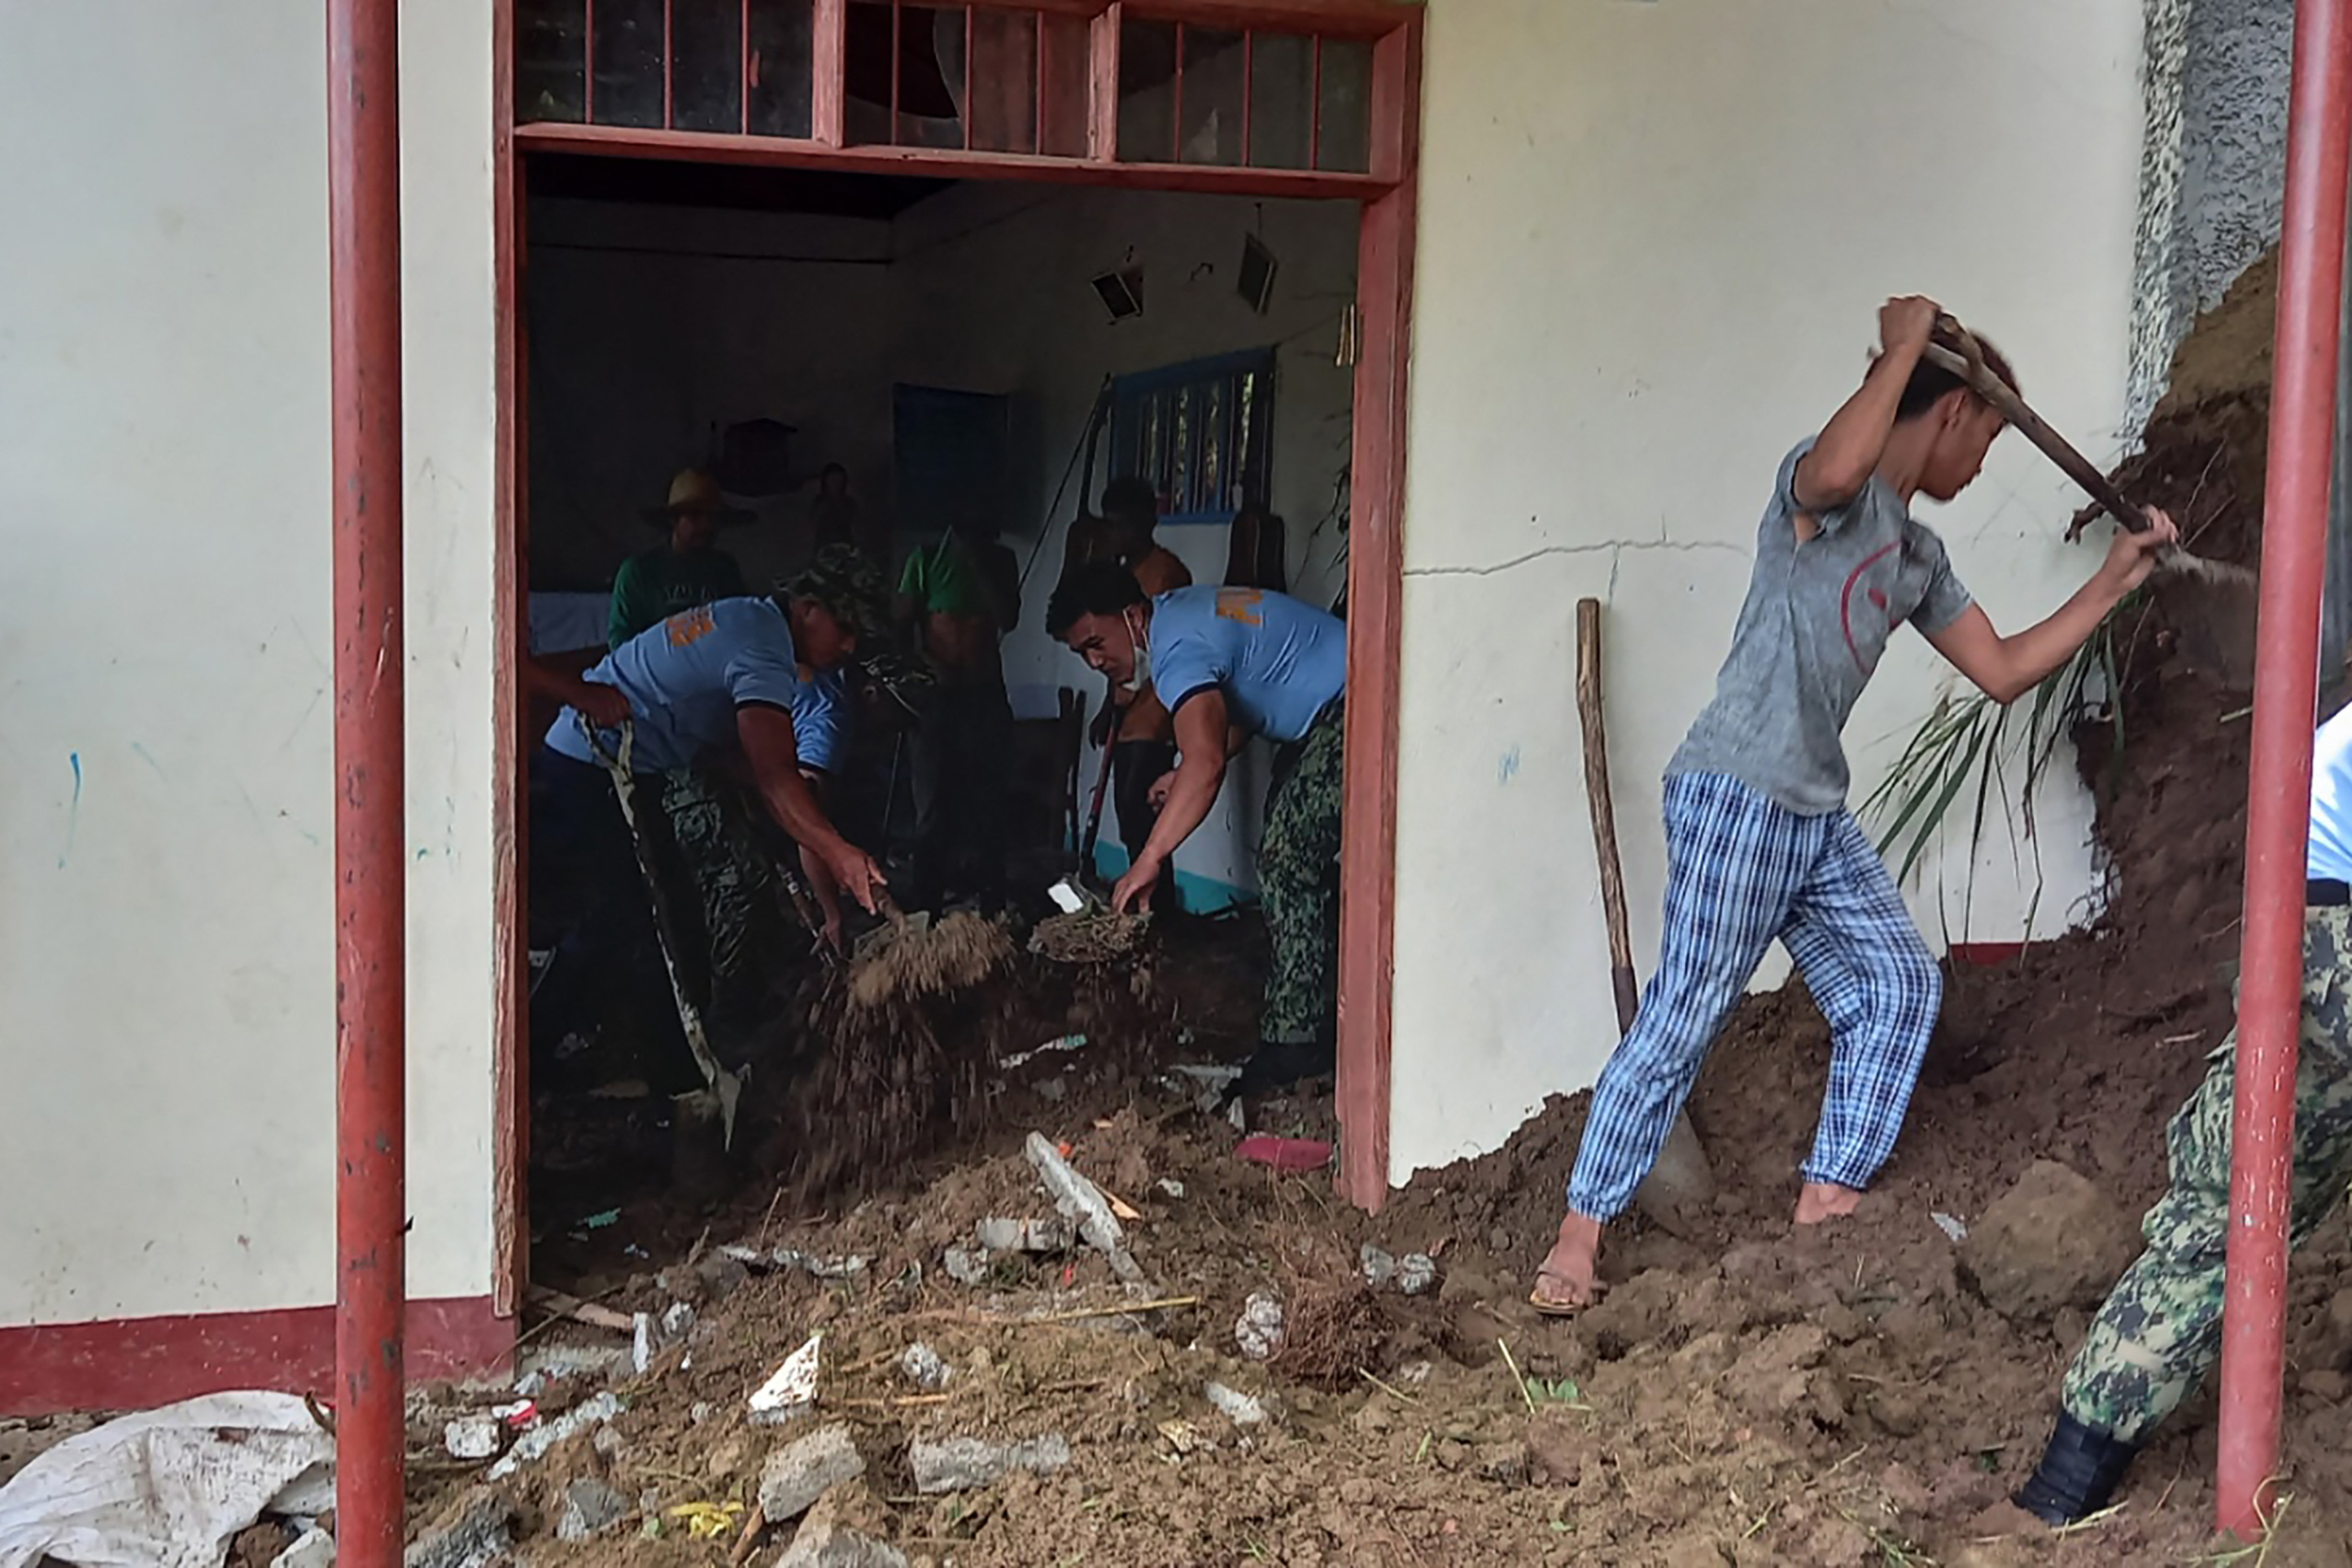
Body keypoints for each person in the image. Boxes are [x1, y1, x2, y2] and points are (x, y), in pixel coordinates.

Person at [1528, 295, 2183, 1314]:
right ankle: (1579, 1235)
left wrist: (2111, 582)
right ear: (1952, 412)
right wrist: (1905, 348)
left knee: (1895, 984)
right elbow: (1839, 468)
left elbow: (2002, 670)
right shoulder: (1819, 498)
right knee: (1686, 1011)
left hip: (1812, 813)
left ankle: (1826, 1199)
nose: (1981, 467)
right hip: (1739, 790)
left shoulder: (1917, 558)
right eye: (1985, 439)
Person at [2011, 699, 2352, 1525]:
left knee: (2225, 1218)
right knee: (2228, 1215)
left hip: (2311, 933)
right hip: (2329, 930)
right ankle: (2063, 1490)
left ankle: (2062, 1489)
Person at [537, 546, 889, 1068]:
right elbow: (775, 778)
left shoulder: (750, 620)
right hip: (592, 761)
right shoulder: (764, 646)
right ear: (808, 608)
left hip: (631, 769)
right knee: (626, 918)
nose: (849, 644)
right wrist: (841, 854)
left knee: (674, 916)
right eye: (845, 626)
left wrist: (819, 873)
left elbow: (752, 769)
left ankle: (678, 1058)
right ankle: (543, 1044)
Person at [1050, 568, 1346, 1096]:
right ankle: (1321, 1005)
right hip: (1328, 711)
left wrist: (1150, 857)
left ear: (1132, 616)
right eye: (1081, 654)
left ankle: (1297, 1043)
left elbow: (1206, 762)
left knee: (1287, 859)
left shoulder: (1176, 651)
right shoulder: (1180, 613)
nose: (1094, 662)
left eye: (1096, 643)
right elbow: (1240, 706)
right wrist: (1185, 768)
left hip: (1352, 706)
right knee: (1288, 854)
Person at [895, 509, 1021, 911]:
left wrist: (977, 563)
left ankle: (991, 906)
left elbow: (1008, 617)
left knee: (989, 803)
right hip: (936, 697)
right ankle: (926, 907)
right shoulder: (926, 558)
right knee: (932, 805)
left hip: (984, 693)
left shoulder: (1000, 561)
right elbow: (900, 622)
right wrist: (914, 676)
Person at [1088, 477, 1192, 911]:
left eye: (1122, 524)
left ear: (1148, 522)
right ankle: (1141, 906)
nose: (1115, 534)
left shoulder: (1166, 572)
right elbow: (1117, 653)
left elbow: (1159, 647)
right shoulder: (1121, 576)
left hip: (1157, 713)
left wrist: (1129, 695)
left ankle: (1158, 913)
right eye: (1109, 525)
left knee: (1143, 812)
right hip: (1126, 715)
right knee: (1128, 816)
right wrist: (1106, 706)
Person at [607, 468, 753, 649]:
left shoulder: (725, 568)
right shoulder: (640, 571)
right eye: (695, 515)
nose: (706, 525)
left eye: (713, 517)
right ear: (674, 520)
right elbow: (620, 642)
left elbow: (741, 626)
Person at [811, 463, 860, 556]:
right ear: (825, 482)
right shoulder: (819, 503)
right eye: (833, 480)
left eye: (839, 480)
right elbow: (813, 524)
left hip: (846, 546)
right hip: (824, 548)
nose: (836, 484)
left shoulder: (850, 503)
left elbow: (855, 527)